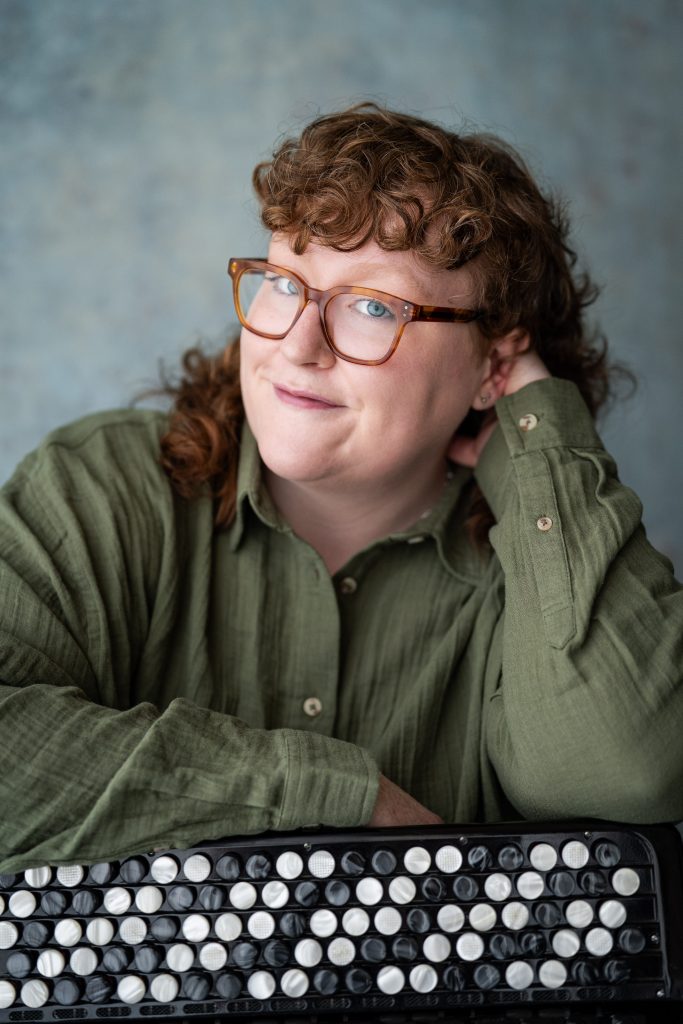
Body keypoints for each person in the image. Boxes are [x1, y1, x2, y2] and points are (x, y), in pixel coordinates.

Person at [0, 103, 681, 874]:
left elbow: (630, 771)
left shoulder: (548, 560)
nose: (296, 346)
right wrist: (335, 798)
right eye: (283, 282)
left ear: (492, 364)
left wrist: (540, 436)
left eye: (371, 307)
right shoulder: (98, 487)